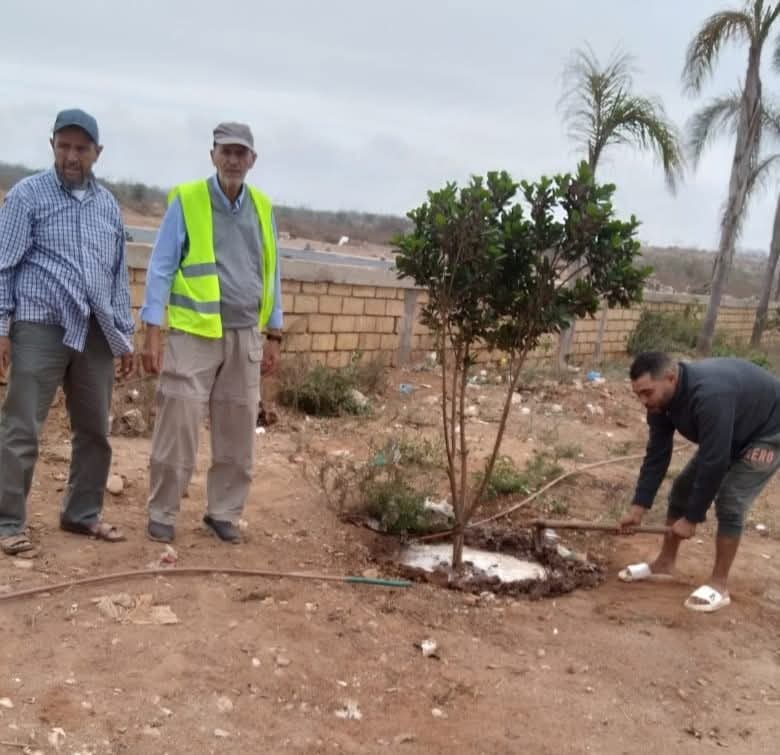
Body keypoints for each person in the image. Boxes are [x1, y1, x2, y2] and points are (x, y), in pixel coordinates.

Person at [140, 121, 283, 545]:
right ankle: (163, 510)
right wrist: (152, 329)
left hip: (245, 335)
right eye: (226, 151)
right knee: (178, 423)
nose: (234, 160)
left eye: (242, 153)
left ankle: (223, 512)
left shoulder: (262, 206)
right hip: (194, 334)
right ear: (213, 156)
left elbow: (272, 272)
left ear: (252, 160)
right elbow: (161, 266)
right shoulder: (187, 200)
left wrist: (275, 332)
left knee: (238, 431)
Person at [0, 109, 134, 556]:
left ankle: (81, 515)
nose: (71, 156)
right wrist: (2, 326)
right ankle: (7, 523)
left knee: (95, 429)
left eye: (81, 148)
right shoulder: (27, 196)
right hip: (41, 323)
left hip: (95, 329)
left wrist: (124, 332)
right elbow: (5, 265)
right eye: (64, 146)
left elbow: (117, 275)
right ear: (53, 146)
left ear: (98, 153)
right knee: (22, 427)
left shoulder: (108, 206)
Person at [619, 351, 780, 612]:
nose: (643, 400)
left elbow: (714, 462)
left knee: (731, 500)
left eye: (647, 392)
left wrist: (693, 518)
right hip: (735, 426)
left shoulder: (709, 395)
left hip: (769, 430)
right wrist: (638, 508)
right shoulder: (658, 404)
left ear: (670, 378)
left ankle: (719, 584)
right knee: (682, 488)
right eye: (638, 393)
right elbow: (657, 455)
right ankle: (665, 564)